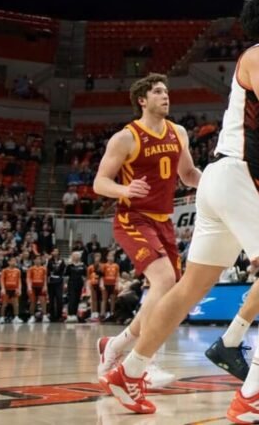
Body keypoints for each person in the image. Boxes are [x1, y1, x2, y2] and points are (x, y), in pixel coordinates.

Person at [101, 0, 259, 422]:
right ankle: (257, 393)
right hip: (241, 173)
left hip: (216, 178)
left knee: (189, 288)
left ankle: (131, 370)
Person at [94, 73, 202, 390]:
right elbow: (100, 182)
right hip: (133, 217)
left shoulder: (178, 132)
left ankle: (115, 345)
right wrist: (125, 189)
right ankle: (142, 362)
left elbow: (188, 174)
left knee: (168, 291)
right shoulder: (125, 138)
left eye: (166, 91)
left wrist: (214, 182)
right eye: (157, 92)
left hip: (164, 221)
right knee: (165, 280)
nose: (165, 96)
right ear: (142, 100)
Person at [65, 251, 86, 323]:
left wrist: (85, 285)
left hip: (79, 284)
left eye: (77, 256)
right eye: (74, 256)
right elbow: (66, 275)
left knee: (77, 299)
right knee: (72, 299)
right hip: (71, 284)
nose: (75, 257)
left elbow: (85, 275)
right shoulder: (69, 266)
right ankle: (70, 314)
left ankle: (75, 314)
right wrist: (65, 284)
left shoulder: (83, 265)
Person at [46, 248, 66, 322]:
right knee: (51, 299)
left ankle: (59, 315)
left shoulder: (62, 261)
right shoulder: (49, 261)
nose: (55, 252)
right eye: (54, 251)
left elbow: (63, 271)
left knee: (59, 298)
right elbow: (48, 271)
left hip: (59, 281)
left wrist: (63, 281)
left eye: (57, 251)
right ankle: (52, 315)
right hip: (51, 281)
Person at [26, 256, 47, 321]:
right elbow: (28, 278)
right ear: (34, 261)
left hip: (41, 287)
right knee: (33, 302)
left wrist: (45, 286)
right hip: (33, 287)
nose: (38, 261)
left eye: (39, 259)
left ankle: (44, 316)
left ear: (41, 261)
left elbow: (45, 278)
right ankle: (32, 316)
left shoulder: (44, 268)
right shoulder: (30, 269)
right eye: (36, 259)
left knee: (43, 301)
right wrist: (29, 287)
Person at [101, 251, 120, 320]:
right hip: (106, 284)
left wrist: (117, 284)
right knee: (104, 299)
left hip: (113, 284)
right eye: (110, 256)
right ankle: (103, 314)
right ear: (107, 257)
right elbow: (101, 276)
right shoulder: (104, 265)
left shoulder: (116, 266)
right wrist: (102, 284)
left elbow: (117, 276)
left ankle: (112, 313)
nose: (111, 258)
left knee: (113, 299)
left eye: (113, 256)